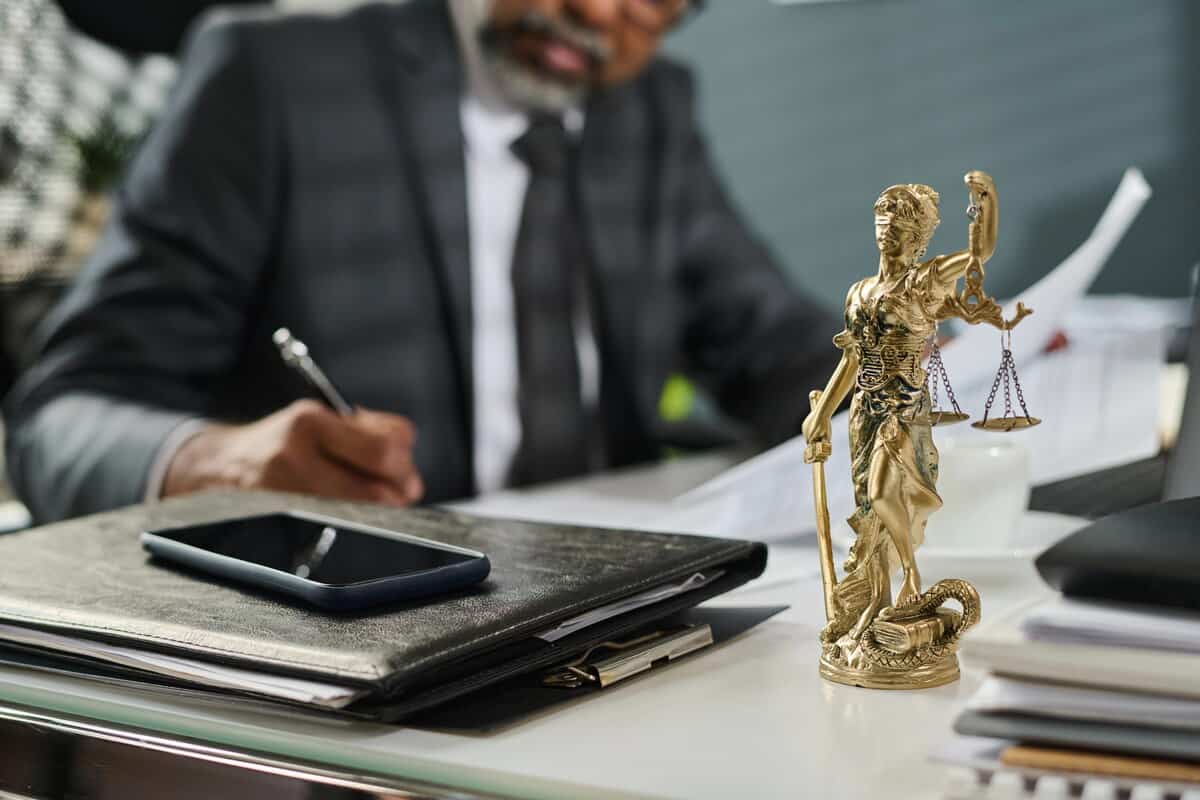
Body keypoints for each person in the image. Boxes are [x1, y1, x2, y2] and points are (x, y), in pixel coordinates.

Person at [5, 0, 840, 524]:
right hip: (368, 628)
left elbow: (774, 346)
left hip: (614, 614)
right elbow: (62, 418)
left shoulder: (648, 110)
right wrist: (213, 462)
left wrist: (917, 368)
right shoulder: (276, 77)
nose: (596, 9)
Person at [801, 172, 997, 661]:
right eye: (882, 224)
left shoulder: (925, 282)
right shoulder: (859, 293)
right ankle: (873, 608)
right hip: (864, 413)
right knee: (869, 518)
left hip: (904, 409)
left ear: (918, 239)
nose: (887, 233)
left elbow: (979, 256)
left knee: (884, 493)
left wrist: (985, 203)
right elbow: (850, 361)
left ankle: (911, 573)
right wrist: (822, 414)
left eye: (899, 229)